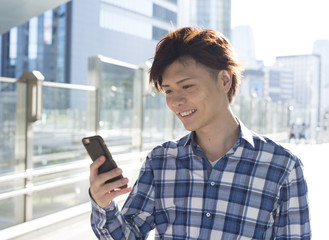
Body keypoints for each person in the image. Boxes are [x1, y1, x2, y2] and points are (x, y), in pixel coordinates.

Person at [89, 27, 311, 239]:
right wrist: (104, 205)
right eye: (168, 91)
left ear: (225, 80)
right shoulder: (161, 161)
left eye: (187, 87)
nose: (176, 101)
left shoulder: (282, 167)